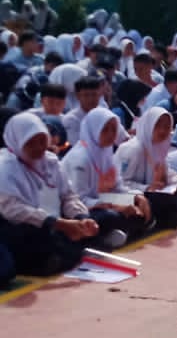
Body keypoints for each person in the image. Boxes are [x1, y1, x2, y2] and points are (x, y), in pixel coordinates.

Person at [0, 113, 126, 276]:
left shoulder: (51, 162)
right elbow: (13, 210)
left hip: (60, 221)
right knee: (37, 237)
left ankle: (69, 249)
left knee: (105, 218)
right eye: (30, 143)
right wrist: (59, 223)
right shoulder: (6, 168)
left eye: (42, 140)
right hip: (28, 226)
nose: (39, 147)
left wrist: (81, 218)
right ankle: (64, 252)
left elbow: (68, 196)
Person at [62, 111, 152, 237]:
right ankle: (109, 236)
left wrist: (135, 197)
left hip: (104, 200)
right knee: (110, 217)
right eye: (105, 130)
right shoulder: (80, 159)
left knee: (142, 202)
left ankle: (118, 232)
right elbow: (80, 200)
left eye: (114, 129)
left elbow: (117, 188)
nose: (111, 134)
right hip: (81, 210)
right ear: (94, 130)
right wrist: (116, 206)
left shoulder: (106, 152)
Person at [116, 110, 177, 225]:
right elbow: (122, 182)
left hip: (156, 190)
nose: (162, 131)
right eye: (157, 126)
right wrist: (146, 187)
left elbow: (167, 173)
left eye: (166, 127)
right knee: (159, 199)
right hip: (134, 194)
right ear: (149, 125)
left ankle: (175, 215)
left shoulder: (160, 146)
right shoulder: (133, 149)